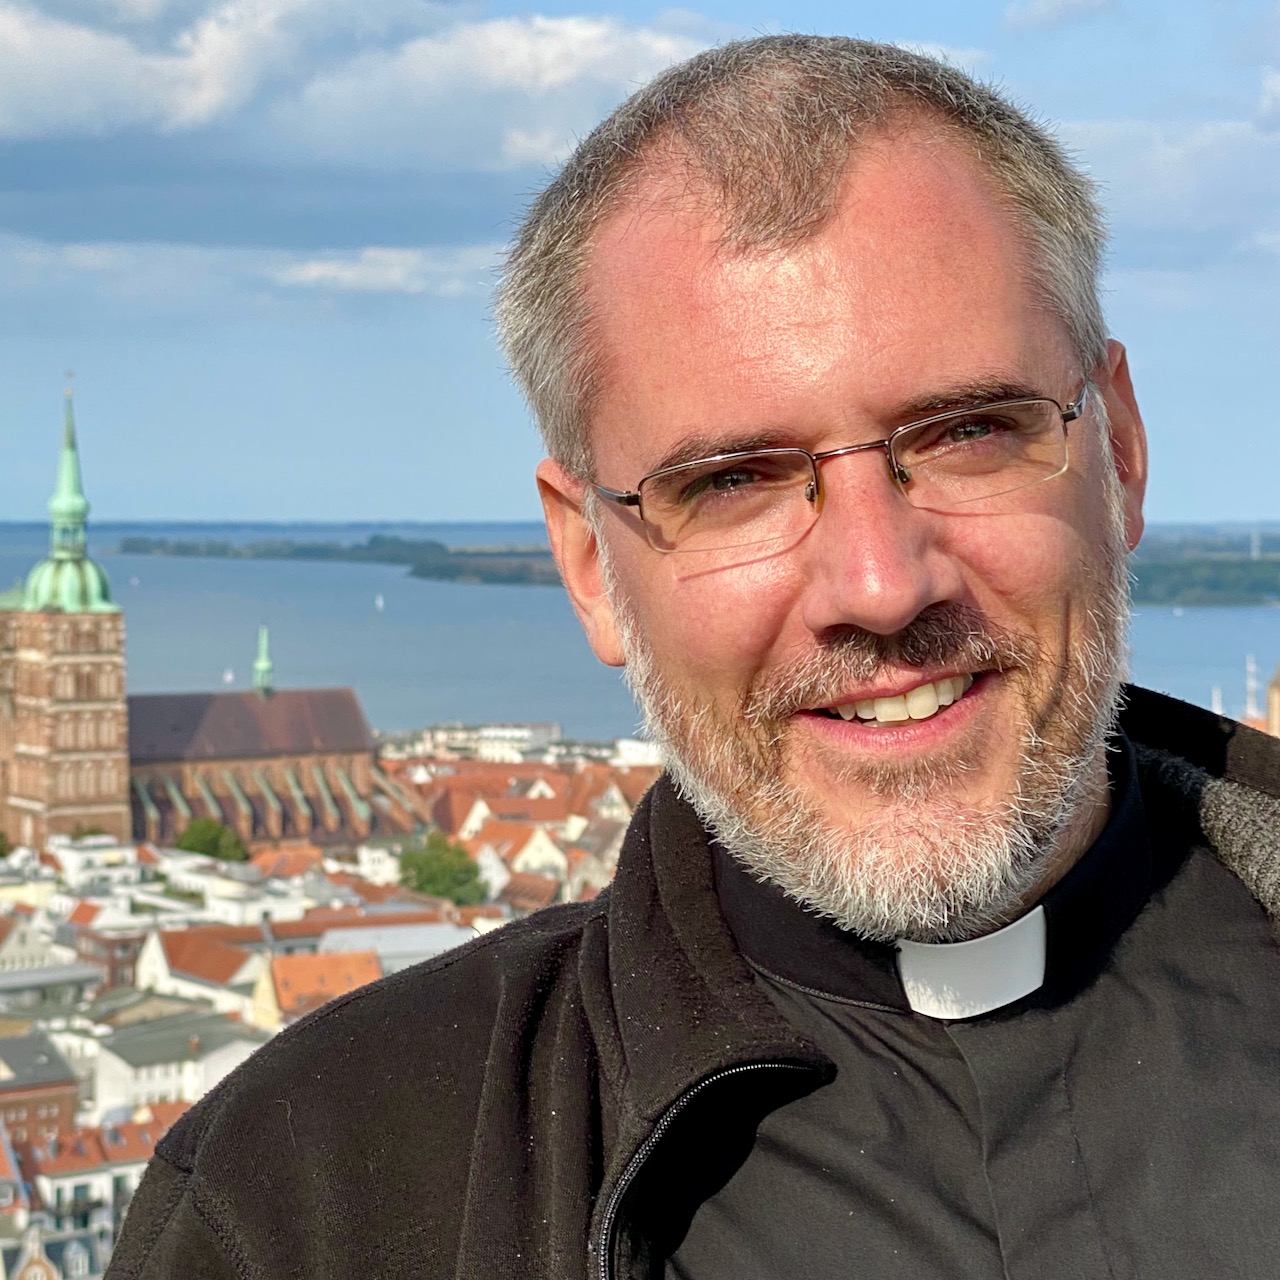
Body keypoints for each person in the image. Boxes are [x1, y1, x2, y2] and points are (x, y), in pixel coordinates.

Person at [108, 35, 1280, 1280]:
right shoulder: (310, 1200)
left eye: (968, 432)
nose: (880, 584)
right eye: (732, 481)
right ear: (587, 566)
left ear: (1124, 453)